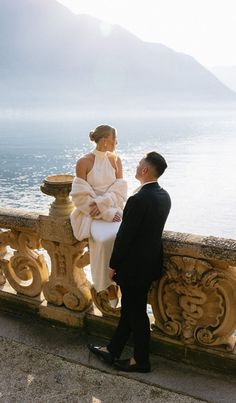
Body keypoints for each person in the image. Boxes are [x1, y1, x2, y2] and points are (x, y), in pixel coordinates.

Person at [88, 151, 171, 372]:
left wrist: (112, 265)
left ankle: (141, 361)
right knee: (130, 310)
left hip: (134, 268)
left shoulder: (138, 199)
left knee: (137, 314)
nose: (137, 166)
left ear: (145, 170)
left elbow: (125, 236)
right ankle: (112, 350)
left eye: (140, 163)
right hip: (150, 263)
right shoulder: (164, 196)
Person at [70, 125, 127, 307]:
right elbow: (80, 196)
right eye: (114, 138)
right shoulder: (83, 162)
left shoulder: (116, 160)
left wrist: (106, 206)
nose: (116, 142)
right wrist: (105, 212)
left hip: (113, 210)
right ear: (104, 140)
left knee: (123, 236)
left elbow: (120, 191)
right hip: (91, 214)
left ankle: (121, 279)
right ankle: (108, 286)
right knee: (102, 241)